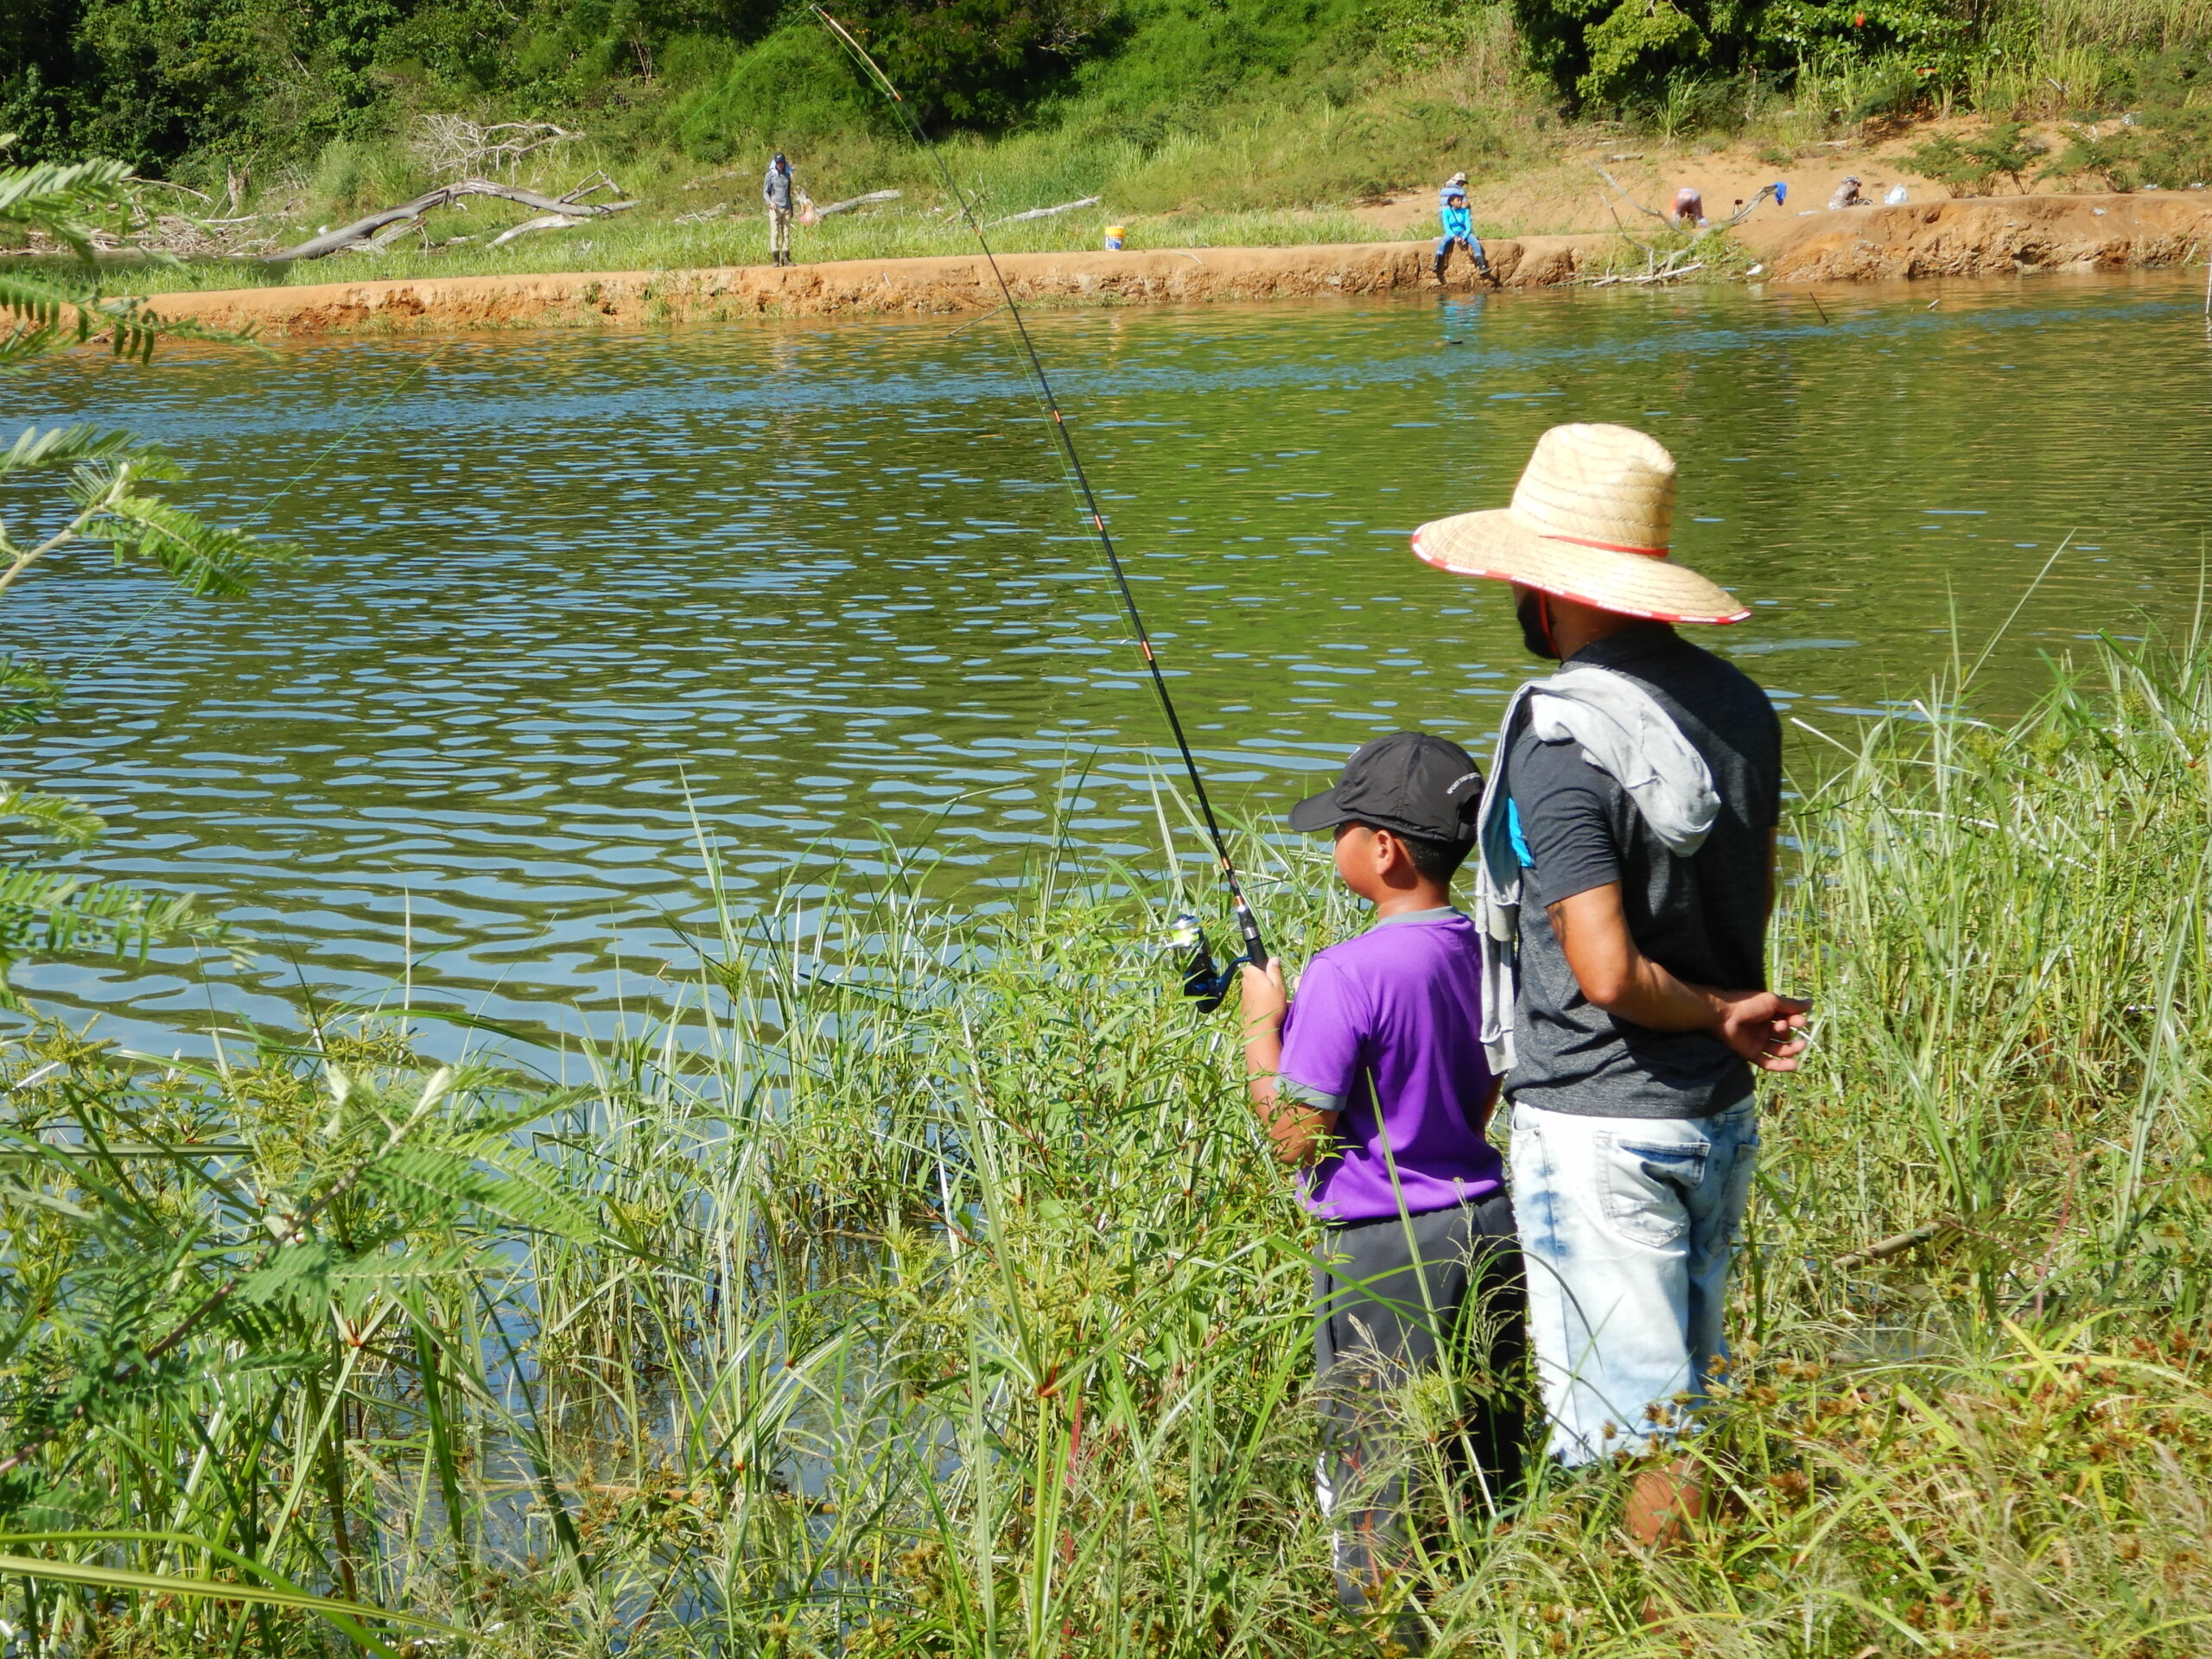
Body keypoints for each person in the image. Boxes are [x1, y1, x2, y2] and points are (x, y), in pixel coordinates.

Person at [1408, 423, 1809, 1546]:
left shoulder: (1561, 736)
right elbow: (1754, 894)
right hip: (1713, 1118)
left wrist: (1713, 1010)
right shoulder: (1738, 709)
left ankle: (1648, 1617)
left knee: (1640, 1437)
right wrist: (1725, 1012)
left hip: (1597, 1125)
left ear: (1550, 588)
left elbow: (1606, 969)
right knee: (1688, 1398)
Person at [1237, 732, 1523, 1623]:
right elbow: (1482, 1099)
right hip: (1490, 1227)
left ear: (1384, 850)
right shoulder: (1486, 952)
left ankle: (1388, 1634)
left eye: (1343, 829)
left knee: (1377, 1472)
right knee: (1483, 1459)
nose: (1334, 845)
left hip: (1382, 1255)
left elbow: (1293, 1136)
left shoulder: (1345, 973)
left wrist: (1260, 1028)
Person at [1435, 185, 1492, 285]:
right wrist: (1454, 237)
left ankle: (1482, 265)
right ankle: (1437, 264)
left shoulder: (1465, 211)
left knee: (1475, 242)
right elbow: (1447, 228)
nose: (1460, 202)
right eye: (1458, 200)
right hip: (1452, 232)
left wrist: (1464, 237)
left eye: (1460, 200)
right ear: (1452, 202)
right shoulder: (1447, 212)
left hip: (1463, 232)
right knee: (1443, 242)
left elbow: (1468, 226)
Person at [764, 151, 796, 266]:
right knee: (775, 232)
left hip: (786, 207)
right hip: (775, 208)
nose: (780, 165)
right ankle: (775, 258)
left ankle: (786, 258)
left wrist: (791, 207)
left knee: (786, 233)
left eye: (782, 162)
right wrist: (770, 202)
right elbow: (765, 192)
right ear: (775, 163)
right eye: (778, 163)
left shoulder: (787, 175)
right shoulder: (770, 175)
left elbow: (788, 192)